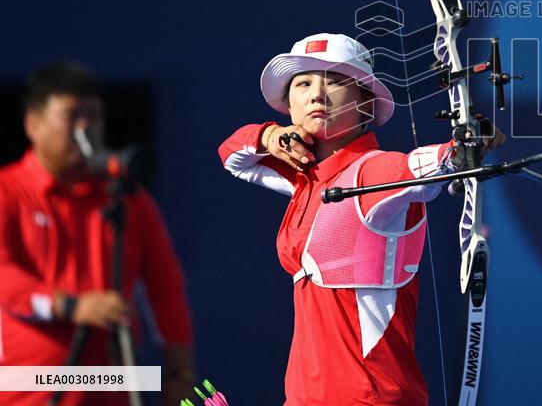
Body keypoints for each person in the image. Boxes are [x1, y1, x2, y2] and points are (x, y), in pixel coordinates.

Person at [218, 33, 503, 406]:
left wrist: (460, 149)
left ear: (366, 105)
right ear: (288, 105)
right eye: (303, 84)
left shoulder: (372, 172)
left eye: (335, 81)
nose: (317, 94)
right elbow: (232, 157)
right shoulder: (305, 180)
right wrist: (269, 136)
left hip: (370, 398)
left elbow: (416, 168)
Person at [0, 62, 195, 406]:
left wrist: (181, 374)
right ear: (33, 124)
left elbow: (164, 287)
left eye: (94, 116)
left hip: (113, 388)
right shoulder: (6, 191)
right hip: (25, 389)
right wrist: (70, 306)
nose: (85, 128)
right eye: (72, 115)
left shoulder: (129, 198)